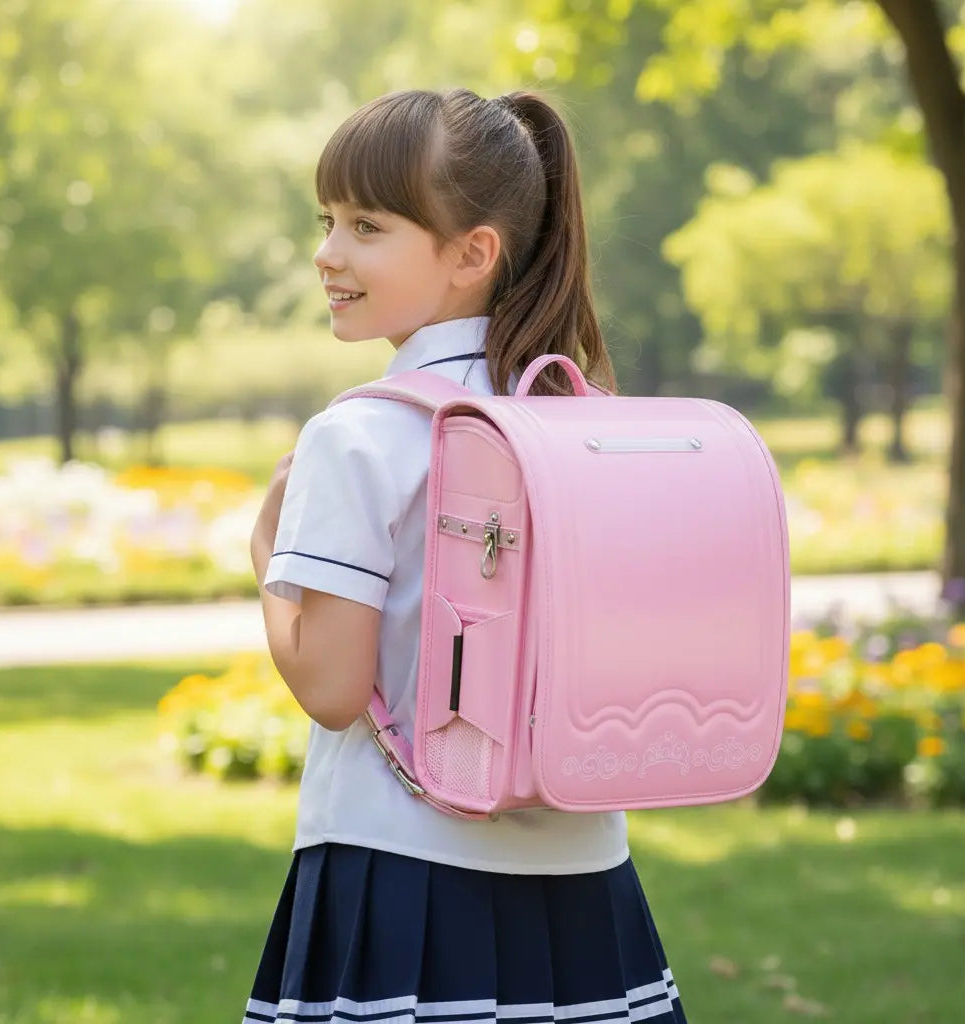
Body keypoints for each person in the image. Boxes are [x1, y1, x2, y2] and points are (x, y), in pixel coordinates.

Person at [244, 88, 688, 1024]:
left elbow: (331, 686)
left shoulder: (357, 435)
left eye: (368, 225)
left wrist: (265, 556)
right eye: (327, 221)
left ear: (472, 254)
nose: (328, 253)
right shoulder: (578, 419)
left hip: (400, 877)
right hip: (584, 874)